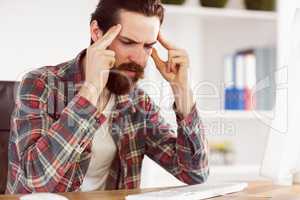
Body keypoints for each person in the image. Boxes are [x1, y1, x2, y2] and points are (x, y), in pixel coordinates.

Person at [6, 0, 209, 194]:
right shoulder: (41, 84)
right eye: (128, 42)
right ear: (97, 32)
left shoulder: (138, 103)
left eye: (148, 46)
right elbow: (36, 182)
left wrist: (182, 90)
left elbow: (194, 174)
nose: (139, 59)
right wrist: (91, 91)